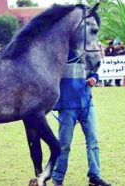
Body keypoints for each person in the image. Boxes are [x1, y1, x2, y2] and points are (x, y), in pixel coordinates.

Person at [52, 50, 112, 186]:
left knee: (93, 141)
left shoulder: (86, 52)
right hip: (67, 105)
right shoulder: (62, 51)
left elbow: (94, 70)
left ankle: (94, 176)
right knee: (64, 144)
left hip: (86, 103)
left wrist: (94, 78)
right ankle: (57, 177)